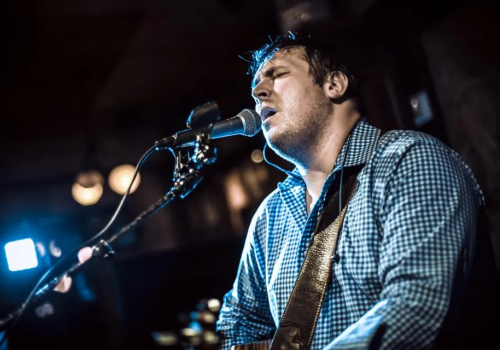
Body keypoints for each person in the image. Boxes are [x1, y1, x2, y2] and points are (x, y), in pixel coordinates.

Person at [215, 33, 497, 349]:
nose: (258, 92)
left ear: (334, 85)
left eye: (277, 74)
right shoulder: (270, 215)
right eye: (255, 88)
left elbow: (415, 309)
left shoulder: (408, 160)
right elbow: (237, 325)